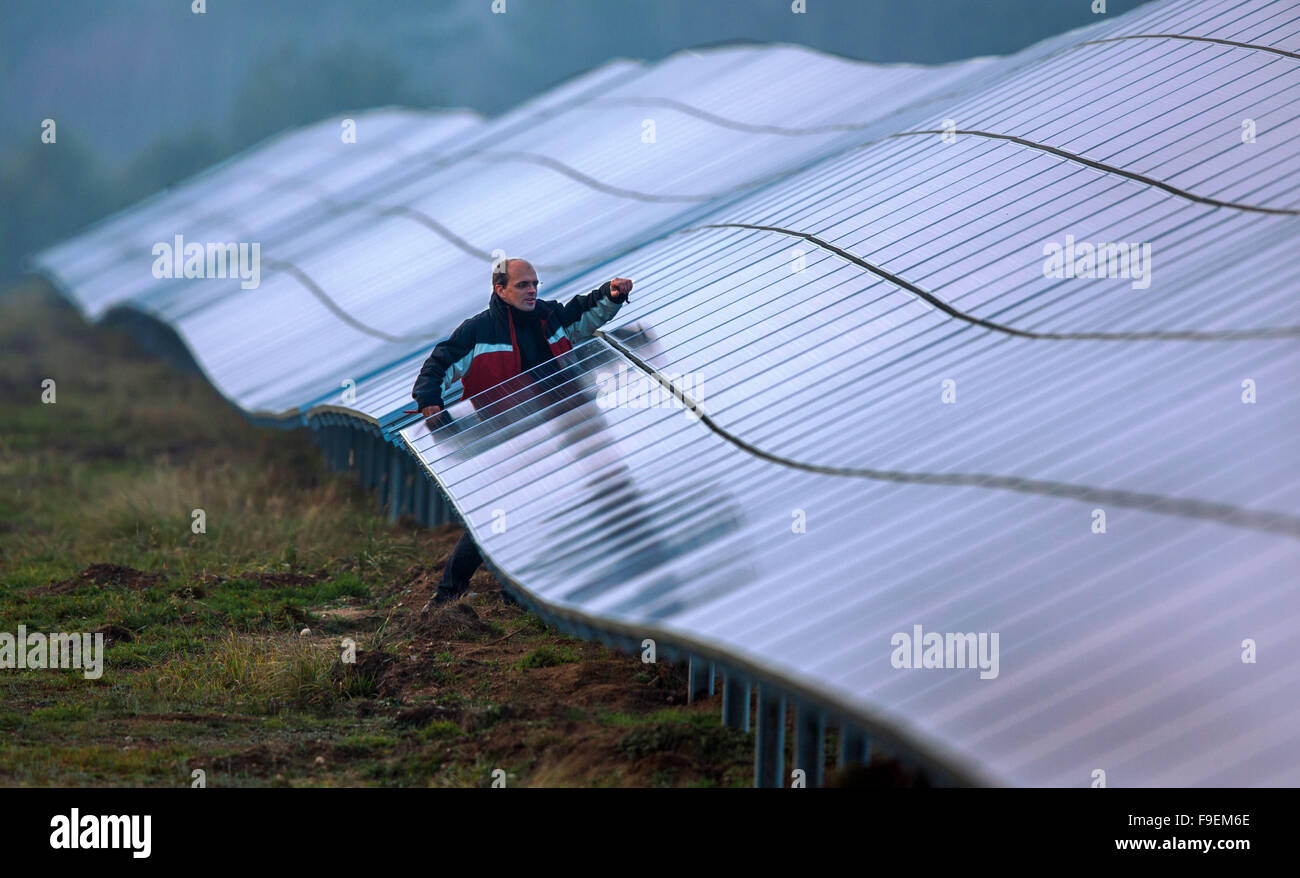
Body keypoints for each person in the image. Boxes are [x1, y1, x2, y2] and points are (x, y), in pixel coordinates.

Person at [412, 258, 633, 613]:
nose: (532, 291)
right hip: (509, 436)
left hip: (564, 424)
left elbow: (584, 314)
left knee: (579, 496)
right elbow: (439, 364)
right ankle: (446, 595)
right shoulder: (479, 331)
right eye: (523, 285)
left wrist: (610, 295)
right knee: (496, 514)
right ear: (500, 290)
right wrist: (430, 402)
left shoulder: (550, 317)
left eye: (535, 284)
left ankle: (524, 591)